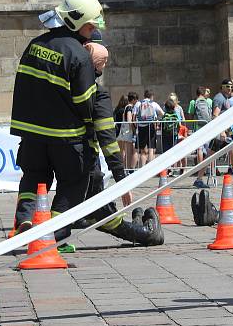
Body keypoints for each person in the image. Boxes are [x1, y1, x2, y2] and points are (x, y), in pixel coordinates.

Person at [10, 0, 102, 239]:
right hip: (66, 135)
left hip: (32, 133)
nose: (92, 32)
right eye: (91, 27)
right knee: (73, 181)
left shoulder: (35, 45)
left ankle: (25, 220)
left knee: (33, 177)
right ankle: (55, 232)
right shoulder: (79, 54)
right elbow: (85, 101)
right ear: (79, 24)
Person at [56, 42, 162, 247]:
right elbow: (107, 139)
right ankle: (142, 234)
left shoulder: (62, 87)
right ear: (96, 65)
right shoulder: (97, 93)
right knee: (98, 208)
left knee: (69, 195)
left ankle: (57, 235)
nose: (105, 67)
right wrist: (123, 182)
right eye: (103, 62)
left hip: (64, 155)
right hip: (85, 159)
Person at [187, 86, 213, 188]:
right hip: (207, 127)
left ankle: (199, 168)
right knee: (209, 149)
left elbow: (190, 114)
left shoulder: (194, 102)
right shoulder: (207, 102)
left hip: (198, 128)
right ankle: (209, 169)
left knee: (199, 149)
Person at [132, 90, 164, 167]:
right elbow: (162, 113)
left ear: (144, 96)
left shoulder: (138, 103)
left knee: (142, 150)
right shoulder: (153, 104)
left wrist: (135, 126)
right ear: (151, 96)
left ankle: (142, 168)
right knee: (151, 149)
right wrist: (158, 121)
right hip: (151, 127)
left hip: (141, 127)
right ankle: (150, 168)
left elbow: (133, 117)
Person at [118, 92, 139, 171]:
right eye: (136, 99)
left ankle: (124, 168)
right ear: (133, 100)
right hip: (128, 132)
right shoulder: (129, 107)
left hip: (124, 131)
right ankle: (127, 169)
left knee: (125, 151)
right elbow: (129, 120)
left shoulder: (126, 107)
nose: (136, 101)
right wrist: (133, 129)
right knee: (128, 151)